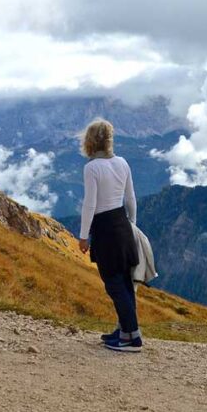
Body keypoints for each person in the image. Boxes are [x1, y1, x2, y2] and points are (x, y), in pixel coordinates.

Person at [78, 118, 142, 352]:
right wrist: (132, 224)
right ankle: (125, 330)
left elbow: (90, 205)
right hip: (123, 224)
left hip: (105, 229)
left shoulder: (92, 168)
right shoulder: (122, 163)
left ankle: (131, 338)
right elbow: (131, 198)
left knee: (114, 284)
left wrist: (84, 236)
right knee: (124, 282)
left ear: (90, 142)